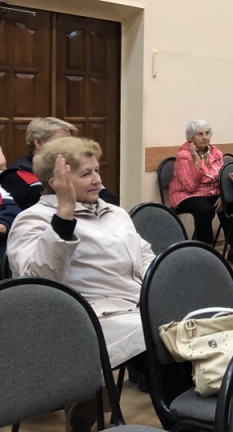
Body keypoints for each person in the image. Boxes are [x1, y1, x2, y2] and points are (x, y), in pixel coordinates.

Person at [7, 136, 155, 369]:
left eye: (97, 170)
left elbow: (145, 257)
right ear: (56, 182)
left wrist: (160, 291)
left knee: (194, 320)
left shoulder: (115, 213)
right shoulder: (33, 219)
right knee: (164, 334)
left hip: (138, 305)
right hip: (93, 318)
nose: (97, 180)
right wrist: (64, 214)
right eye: (86, 174)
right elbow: (37, 285)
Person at [168, 119, 233, 266]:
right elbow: (190, 186)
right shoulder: (184, 156)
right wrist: (196, 163)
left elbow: (222, 178)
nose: (205, 137)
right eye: (200, 134)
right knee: (204, 209)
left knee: (229, 204)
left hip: (211, 192)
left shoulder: (216, 153)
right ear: (190, 138)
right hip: (185, 195)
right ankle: (206, 252)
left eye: (207, 133)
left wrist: (222, 196)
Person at [3, 117, 119, 209]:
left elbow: (110, 202)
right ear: (38, 143)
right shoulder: (16, 175)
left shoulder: (77, 167)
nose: (69, 146)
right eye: (62, 141)